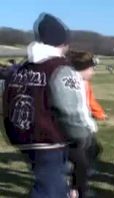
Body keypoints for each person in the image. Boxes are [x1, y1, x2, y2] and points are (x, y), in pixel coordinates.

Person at [2, 13, 95, 197]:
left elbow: (6, 99)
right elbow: (71, 111)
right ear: (62, 42)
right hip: (49, 139)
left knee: (54, 185)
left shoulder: (21, 68)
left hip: (21, 135)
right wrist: (83, 137)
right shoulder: (61, 69)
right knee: (49, 190)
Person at [67, 50, 105, 197]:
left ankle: (78, 189)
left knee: (88, 156)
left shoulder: (83, 83)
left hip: (82, 129)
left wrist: (97, 114)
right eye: (91, 68)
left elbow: (87, 104)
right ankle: (77, 191)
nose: (93, 72)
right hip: (74, 131)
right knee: (80, 163)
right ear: (82, 68)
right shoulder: (72, 84)